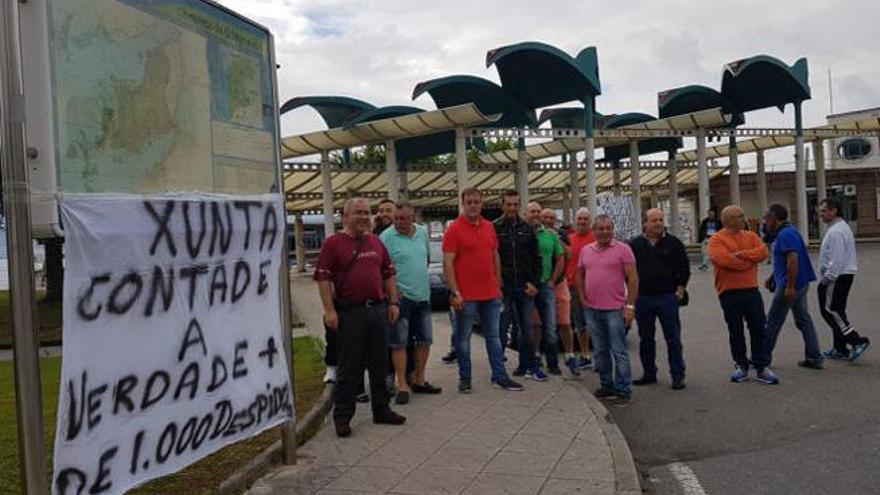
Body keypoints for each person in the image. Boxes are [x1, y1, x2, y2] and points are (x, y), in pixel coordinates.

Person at [315, 197, 406, 437]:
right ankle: (343, 417)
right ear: (345, 217)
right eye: (358, 213)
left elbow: (388, 273)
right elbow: (323, 279)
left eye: (367, 213)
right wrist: (329, 311)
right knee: (350, 367)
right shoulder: (333, 244)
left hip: (377, 310)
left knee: (380, 364)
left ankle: (382, 410)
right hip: (349, 313)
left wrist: (393, 301)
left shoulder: (376, 242)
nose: (364, 217)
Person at [443, 187, 524, 393]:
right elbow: (448, 263)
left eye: (476, 202)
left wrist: (497, 286)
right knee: (463, 339)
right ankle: (465, 378)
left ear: (482, 204)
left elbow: (494, 256)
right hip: (466, 296)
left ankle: (499, 376)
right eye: (469, 202)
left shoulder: (489, 227)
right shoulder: (454, 229)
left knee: (495, 337)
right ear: (462, 203)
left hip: (490, 295)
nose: (473, 205)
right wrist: (455, 292)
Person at [380, 202, 443, 404]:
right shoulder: (385, 238)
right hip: (400, 299)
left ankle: (419, 379)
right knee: (399, 342)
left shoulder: (423, 233)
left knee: (424, 340)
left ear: (412, 216)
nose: (399, 222)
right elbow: (381, 270)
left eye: (404, 218)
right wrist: (393, 293)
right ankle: (402, 384)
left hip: (422, 296)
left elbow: (425, 260)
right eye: (396, 218)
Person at [707, 205, 777, 385]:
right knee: (735, 330)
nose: (743, 218)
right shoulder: (716, 239)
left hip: (751, 290)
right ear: (729, 219)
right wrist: (748, 261)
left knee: (758, 328)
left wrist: (742, 255)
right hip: (728, 292)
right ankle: (741, 365)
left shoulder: (751, 236)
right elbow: (725, 261)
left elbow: (763, 252)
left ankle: (762, 366)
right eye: (740, 216)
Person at [576, 214, 639, 407]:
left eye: (608, 228)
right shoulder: (586, 250)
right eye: (600, 228)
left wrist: (629, 306)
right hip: (592, 309)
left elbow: (633, 278)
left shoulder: (623, 250)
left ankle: (623, 390)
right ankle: (606, 386)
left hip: (615, 309)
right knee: (601, 351)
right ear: (594, 231)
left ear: (613, 229)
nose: (604, 232)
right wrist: (582, 297)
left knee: (619, 350)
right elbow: (579, 274)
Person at [629, 208, 690, 390]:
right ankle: (649, 373)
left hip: (667, 298)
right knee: (646, 338)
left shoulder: (674, 243)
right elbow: (628, 270)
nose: (657, 223)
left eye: (660, 220)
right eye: (653, 220)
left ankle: (677, 375)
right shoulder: (635, 244)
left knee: (673, 339)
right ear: (645, 223)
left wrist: (680, 290)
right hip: (643, 298)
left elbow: (684, 267)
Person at [762, 204, 823, 370]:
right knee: (803, 320)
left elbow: (792, 260)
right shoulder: (791, 230)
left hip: (791, 285)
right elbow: (784, 259)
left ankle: (761, 358)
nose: (765, 222)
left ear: (775, 218)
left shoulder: (785, 234)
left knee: (773, 321)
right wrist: (773, 276)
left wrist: (789, 286)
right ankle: (814, 356)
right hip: (801, 282)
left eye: (767, 218)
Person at [493, 191, 546, 381]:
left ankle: (527, 366)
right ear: (502, 205)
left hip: (525, 287)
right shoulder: (495, 227)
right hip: (503, 287)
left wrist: (534, 282)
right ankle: (498, 370)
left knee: (526, 328)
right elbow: (491, 258)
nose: (512, 208)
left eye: (515, 204)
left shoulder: (527, 227)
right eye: (508, 204)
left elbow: (536, 258)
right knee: (500, 329)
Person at [816, 198, 871, 361]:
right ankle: (839, 348)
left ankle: (857, 341)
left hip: (837, 276)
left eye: (824, 211)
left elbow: (836, 258)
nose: (821, 215)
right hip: (842, 275)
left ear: (834, 211)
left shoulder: (836, 232)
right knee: (837, 310)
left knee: (831, 310)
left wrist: (827, 278)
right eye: (820, 212)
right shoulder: (839, 228)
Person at [525, 202, 564, 375]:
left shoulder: (550, 235)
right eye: (532, 211)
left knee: (550, 327)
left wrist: (552, 280)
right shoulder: (522, 233)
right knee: (526, 327)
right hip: (526, 286)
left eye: (538, 211)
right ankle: (529, 362)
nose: (536, 214)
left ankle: (553, 363)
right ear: (525, 213)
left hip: (545, 286)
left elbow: (560, 258)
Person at [541, 208, 579, 376]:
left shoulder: (562, 234)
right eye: (545, 217)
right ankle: (537, 356)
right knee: (538, 323)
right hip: (542, 283)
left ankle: (570, 354)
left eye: (551, 218)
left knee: (564, 321)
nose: (548, 220)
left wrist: (557, 240)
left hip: (559, 283)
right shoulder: (536, 233)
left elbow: (569, 255)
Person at [567, 208, 596, 372]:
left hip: (593, 287)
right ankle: (585, 355)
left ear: (590, 221)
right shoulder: (569, 239)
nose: (582, 221)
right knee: (580, 324)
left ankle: (600, 356)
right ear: (575, 220)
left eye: (585, 218)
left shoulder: (596, 238)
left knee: (597, 323)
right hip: (573, 288)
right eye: (580, 218)